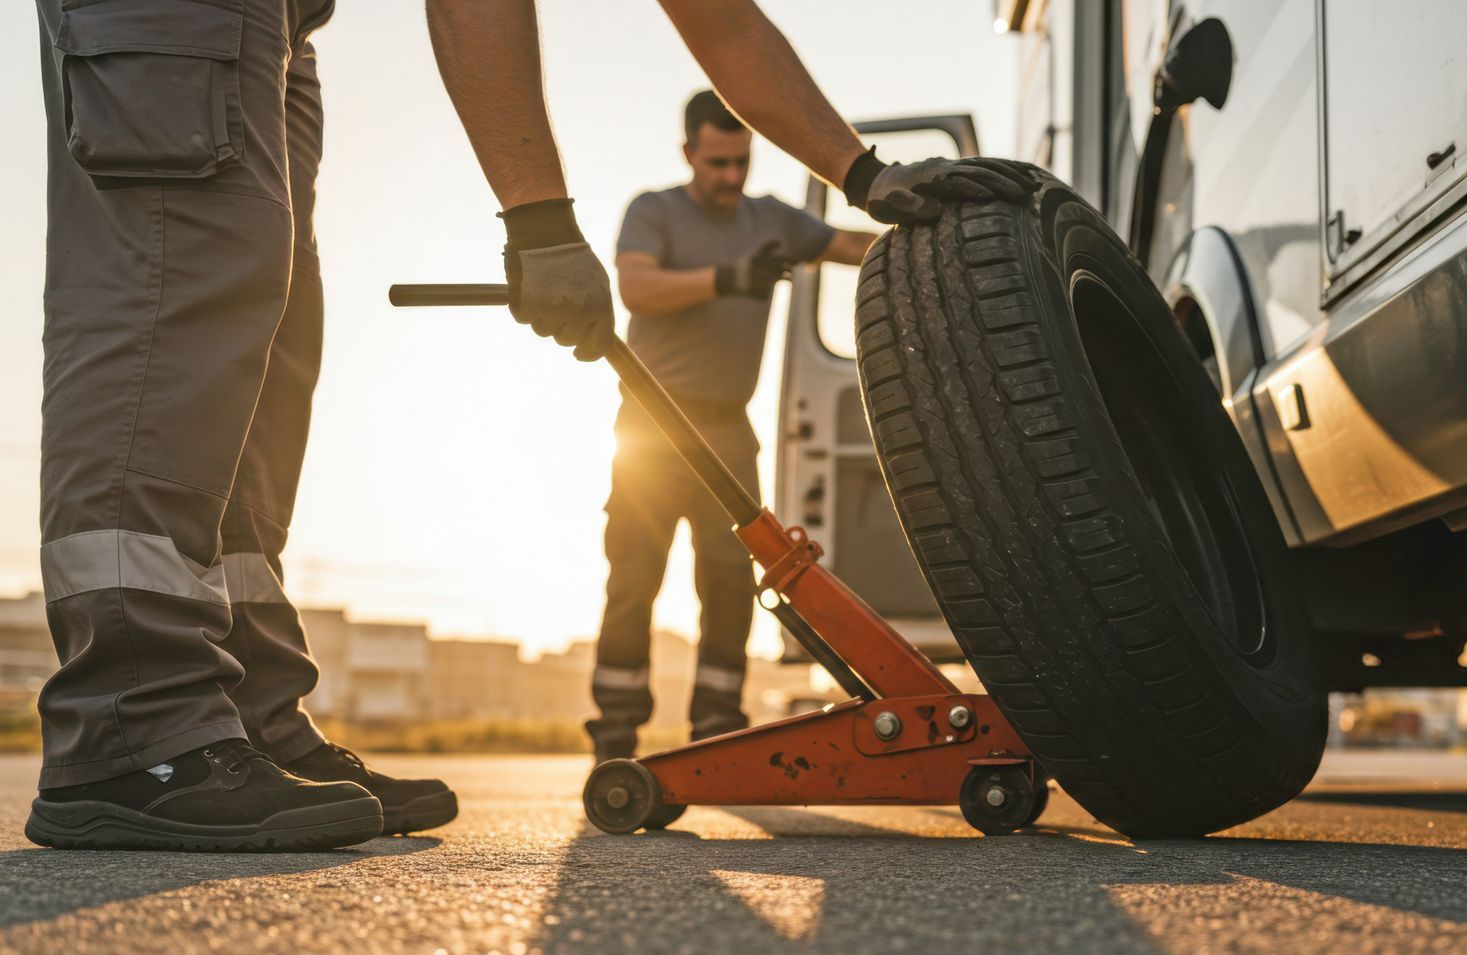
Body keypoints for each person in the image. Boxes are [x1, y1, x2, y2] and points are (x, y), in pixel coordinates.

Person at [25, 0, 1032, 852]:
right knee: (178, 285)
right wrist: (541, 224)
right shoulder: (663, 210)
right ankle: (136, 726)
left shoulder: (771, 216)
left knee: (265, 321)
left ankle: (239, 714)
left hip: (279, 25)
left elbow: (718, 18)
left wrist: (868, 178)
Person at [587, 91, 876, 761]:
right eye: (716, 163)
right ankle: (615, 732)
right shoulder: (652, 211)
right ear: (689, 152)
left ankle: (717, 727)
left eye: (740, 162)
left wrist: (929, 233)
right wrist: (727, 278)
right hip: (652, 429)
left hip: (727, 432)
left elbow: (848, 245)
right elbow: (636, 289)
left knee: (727, 580)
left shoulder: (771, 220)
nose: (729, 176)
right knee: (633, 579)